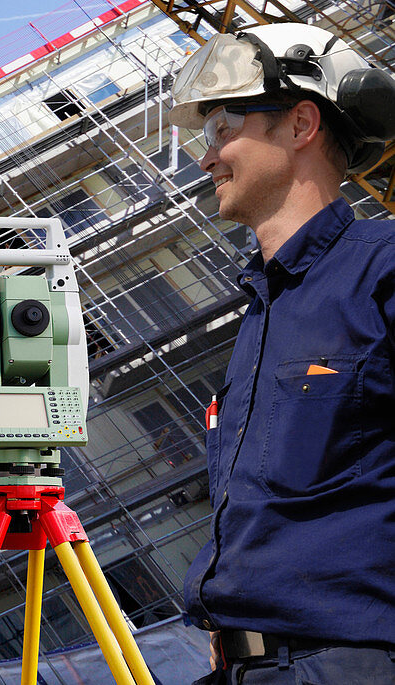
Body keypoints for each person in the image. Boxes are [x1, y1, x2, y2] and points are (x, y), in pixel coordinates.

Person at [168, 22, 395, 684]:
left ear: (301, 125)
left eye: (221, 129)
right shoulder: (261, 316)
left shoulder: (380, 269)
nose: (205, 158)